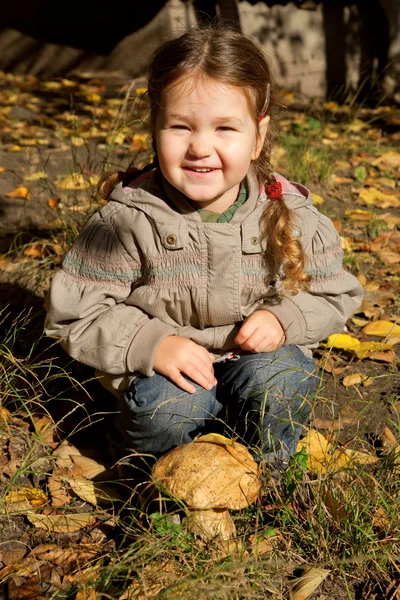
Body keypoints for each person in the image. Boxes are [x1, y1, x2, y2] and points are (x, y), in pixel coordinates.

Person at [45, 26, 363, 478]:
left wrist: (283, 319)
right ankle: (165, 477)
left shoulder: (290, 214)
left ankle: (268, 470)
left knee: (285, 380)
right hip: (168, 375)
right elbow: (75, 312)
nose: (199, 147)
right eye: (180, 126)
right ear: (155, 127)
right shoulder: (128, 221)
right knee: (163, 411)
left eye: (225, 128)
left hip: (256, 360)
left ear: (257, 135)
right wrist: (150, 344)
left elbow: (337, 295)